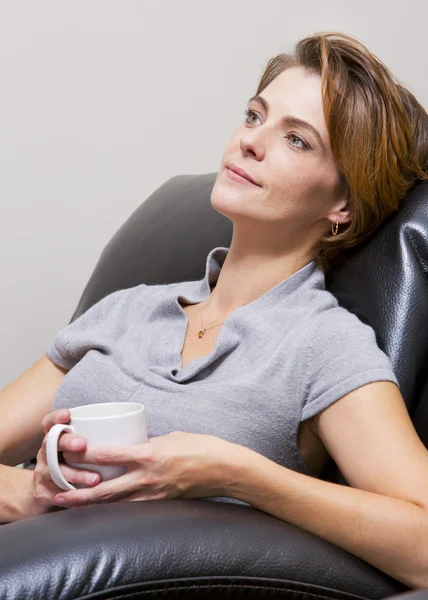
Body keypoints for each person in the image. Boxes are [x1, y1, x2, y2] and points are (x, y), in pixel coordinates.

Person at [1, 31, 428, 588]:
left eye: (297, 140)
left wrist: (237, 473)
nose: (250, 142)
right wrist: (31, 497)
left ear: (342, 204)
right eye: (255, 116)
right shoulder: (127, 310)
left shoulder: (322, 344)